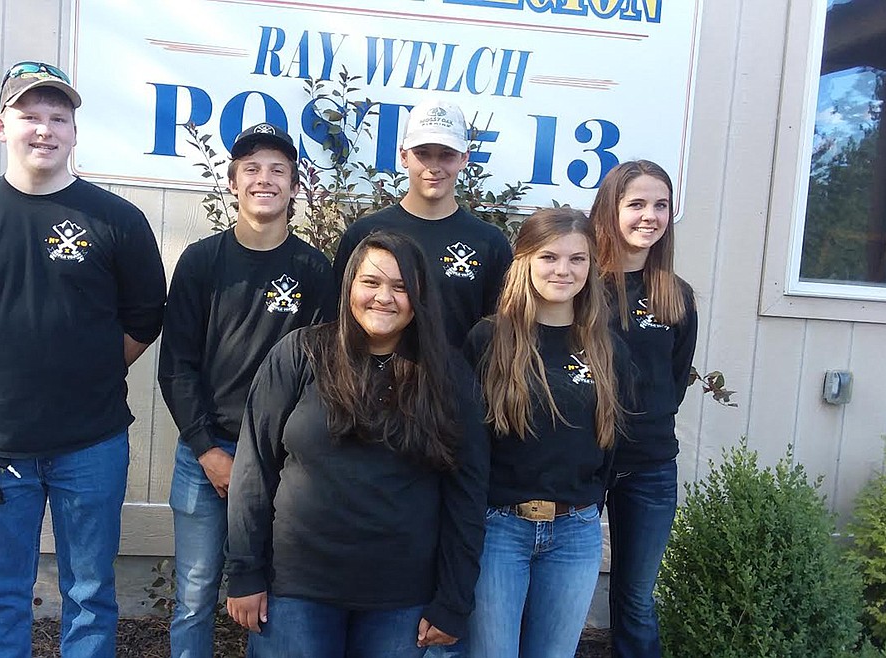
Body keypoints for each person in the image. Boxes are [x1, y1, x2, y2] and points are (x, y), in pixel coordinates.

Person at [0, 61, 167, 657]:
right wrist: (3, 365)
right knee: (0, 595)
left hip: (93, 443)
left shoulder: (117, 221)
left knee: (90, 593)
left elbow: (144, 317)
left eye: (59, 117)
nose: (45, 130)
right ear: (2, 126)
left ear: (75, 132)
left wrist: (92, 368)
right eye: (30, 116)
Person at [225, 232, 490, 658]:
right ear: (349, 286)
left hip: (401, 598)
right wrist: (244, 572)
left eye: (401, 287)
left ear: (420, 297)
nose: (384, 297)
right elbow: (254, 468)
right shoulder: (300, 354)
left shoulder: (448, 377)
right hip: (297, 588)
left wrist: (454, 600)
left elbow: (467, 494)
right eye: (371, 282)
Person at [157, 123, 335, 658]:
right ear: (232, 183)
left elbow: (323, 373)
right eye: (252, 169)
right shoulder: (201, 262)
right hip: (206, 454)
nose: (265, 180)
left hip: (284, 462)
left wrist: (283, 454)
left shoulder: (314, 270)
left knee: (273, 593)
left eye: (278, 170)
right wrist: (207, 450)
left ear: (295, 186)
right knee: (194, 595)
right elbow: (177, 366)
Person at [460, 208, 629, 658]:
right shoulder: (488, 340)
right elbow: (467, 446)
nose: (563, 270)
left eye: (578, 259)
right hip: (499, 529)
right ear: (525, 262)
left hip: (576, 532)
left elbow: (611, 447)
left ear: (592, 267)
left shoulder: (607, 347)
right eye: (549, 257)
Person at [589, 160, 697, 658]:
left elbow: (672, 382)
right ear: (610, 210)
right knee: (554, 594)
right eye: (636, 204)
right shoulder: (578, 285)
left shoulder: (676, 296)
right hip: (577, 464)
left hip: (649, 468)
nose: (649, 216)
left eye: (660, 205)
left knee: (634, 600)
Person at [333, 99, 511, 348]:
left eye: (447, 155)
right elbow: (339, 321)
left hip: (460, 384)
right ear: (404, 156)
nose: (434, 167)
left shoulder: (490, 243)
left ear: (464, 158)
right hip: (372, 384)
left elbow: (499, 332)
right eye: (423, 154)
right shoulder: (365, 234)